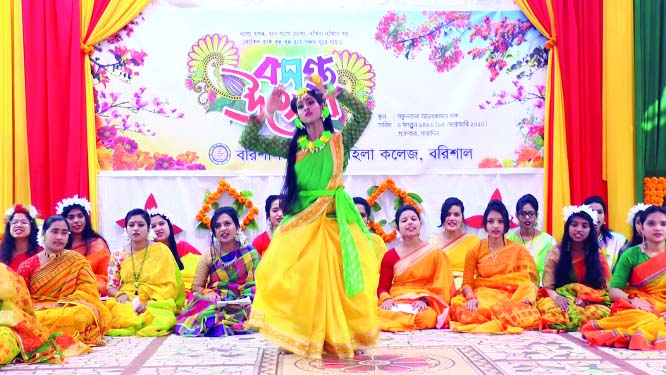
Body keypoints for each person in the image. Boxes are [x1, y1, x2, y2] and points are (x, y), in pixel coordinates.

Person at [241, 74, 379, 359]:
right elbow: (248, 140)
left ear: (322, 107)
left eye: (310, 102)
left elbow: (364, 113)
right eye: (300, 105)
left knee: (341, 283)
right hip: (303, 222)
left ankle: (340, 335)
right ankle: (296, 334)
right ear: (298, 116)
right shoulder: (293, 148)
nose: (305, 107)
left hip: (333, 221)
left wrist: (333, 90)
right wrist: (268, 110)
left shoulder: (341, 140)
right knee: (289, 278)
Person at [16, 216, 111, 345]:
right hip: (40, 310)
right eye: (54, 231)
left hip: (69, 307)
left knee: (83, 315)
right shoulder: (28, 265)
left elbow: (88, 289)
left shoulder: (77, 260)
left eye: (64, 232)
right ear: (43, 234)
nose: (59, 237)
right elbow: (20, 298)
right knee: (30, 319)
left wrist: (66, 303)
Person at [581, 205, 666, 350]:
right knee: (643, 317)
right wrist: (633, 299)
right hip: (640, 306)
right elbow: (614, 290)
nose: (658, 228)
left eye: (663, 224)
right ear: (642, 228)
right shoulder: (631, 254)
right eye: (651, 224)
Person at [450, 200, 541, 334]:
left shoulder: (517, 250)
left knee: (527, 312)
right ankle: (500, 316)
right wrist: (471, 298)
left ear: (505, 225)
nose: (495, 226)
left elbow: (530, 280)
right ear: (485, 225)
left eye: (500, 221)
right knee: (462, 309)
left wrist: (527, 297)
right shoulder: (475, 250)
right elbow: (467, 283)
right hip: (484, 294)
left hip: (511, 295)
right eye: (491, 221)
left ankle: (501, 314)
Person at [175, 207, 259, 336]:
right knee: (199, 300)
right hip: (218, 300)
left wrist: (244, 300)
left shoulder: (250, 253)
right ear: (214, 232)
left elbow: (256, 284)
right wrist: (207, 292)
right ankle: (218, 323)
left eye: (227, 224)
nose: (223, 229)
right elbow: (196, 287)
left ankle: (220, 324)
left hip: (245, 300)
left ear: (237, 227)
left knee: (260, 308)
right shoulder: (209, 254)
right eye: (218, 226)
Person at [106, 208, 184, 337]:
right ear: (126, 229)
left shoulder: (161, 250)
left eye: (141, 225)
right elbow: (111, 286)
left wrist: (149, 302)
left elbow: (170, 285)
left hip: (154, 299)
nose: (135, 228)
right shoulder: (118, 254)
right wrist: (120, 295)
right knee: (115, 312)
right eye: (131, 225)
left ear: (148, 229)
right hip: (127, 298)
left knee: (160, 316)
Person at [377, 205, 455, 331]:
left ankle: (396, 321)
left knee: (426, 317)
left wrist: (424, 300)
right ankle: (399, 319)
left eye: (414, 219)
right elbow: (382, 288)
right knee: (375, 311)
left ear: (420, 225)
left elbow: (442, 286)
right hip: (398, 300)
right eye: (404, 220)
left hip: (423, 303)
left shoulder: (435, 253)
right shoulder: (390, 256)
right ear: (397, 229)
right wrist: (386, 299)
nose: (410, 223)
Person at [0, 262, 90, 364]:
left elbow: (24, 306)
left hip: (66, 306)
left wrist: (65, 302)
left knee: (80, 316)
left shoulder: (4, 272)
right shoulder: (28, 264)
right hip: (37, 307)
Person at [538, 205, 610, 331]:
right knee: (550, 312)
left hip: (590, 303)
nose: (579, 229)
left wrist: (587, 300)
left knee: (603, 312)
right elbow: (547, 287)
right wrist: (557, 298)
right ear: (567, 227)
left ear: (591, 229)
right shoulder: (556, 253)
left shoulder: (597, 255)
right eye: (574, 225)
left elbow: (606, 289)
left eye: (584, 226)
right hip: (561, 298)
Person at [56, 195, 111, 296]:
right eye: (71, 217)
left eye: (80, 216)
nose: (76, 220)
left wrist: (85, 285)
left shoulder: (98, 244)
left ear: (86, 218)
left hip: (92, 292)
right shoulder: (58, 245)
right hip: (62, 294)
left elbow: (106, 278)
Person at [428, 197, 480, 289]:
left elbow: (480, 269)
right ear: (442, 217)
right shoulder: (433, 242)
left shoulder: (473, 241)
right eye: (448, 214)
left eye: (456, 215)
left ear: (462, 218)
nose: (452, 218)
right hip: (440, 286)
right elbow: (429, 272)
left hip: (468, 287)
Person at [149, 208, 201, 295]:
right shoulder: (148, 253)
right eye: (153, 226)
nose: (158, 228)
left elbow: (202, 270)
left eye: (161, 224)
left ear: (169, 225)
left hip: (188, 293)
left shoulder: (184, 247)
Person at [506, 194, 557, 282]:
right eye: (523, 214)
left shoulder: (548, 241)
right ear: (517, 215)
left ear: (536, 215)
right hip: (515, 285)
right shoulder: (509, 240)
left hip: (541, 287)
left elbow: (553, 271)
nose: (527, 218)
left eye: (531, 214)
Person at [583, 196, 627, 270]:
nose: (596, 216)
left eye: (600, 212)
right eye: (591, 212)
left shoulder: (618, 241)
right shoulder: (577, 240)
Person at [1, 204, 40, 271]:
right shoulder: (1, 250)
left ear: (32, 227)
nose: (19, 225)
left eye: (24, 222)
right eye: (15, 222)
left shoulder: (40, 253)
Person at [354, 196, 388, 264]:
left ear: (368, 220)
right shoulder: (340, 239)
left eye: (362, 215)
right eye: (354, 214)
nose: (358, 219)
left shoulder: (376, 240)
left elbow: (385, 267)